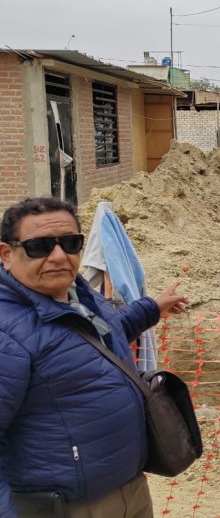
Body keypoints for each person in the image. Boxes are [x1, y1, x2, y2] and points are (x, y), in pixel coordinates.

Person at [0, 197, 188, 518]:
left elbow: (106, 333)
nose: (59, 256)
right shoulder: (8, 335)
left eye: (70, 243)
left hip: (129, 487)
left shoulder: (79, 294)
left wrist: (152, 308)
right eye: (40, 246)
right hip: (68, 506)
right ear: (6, 254)